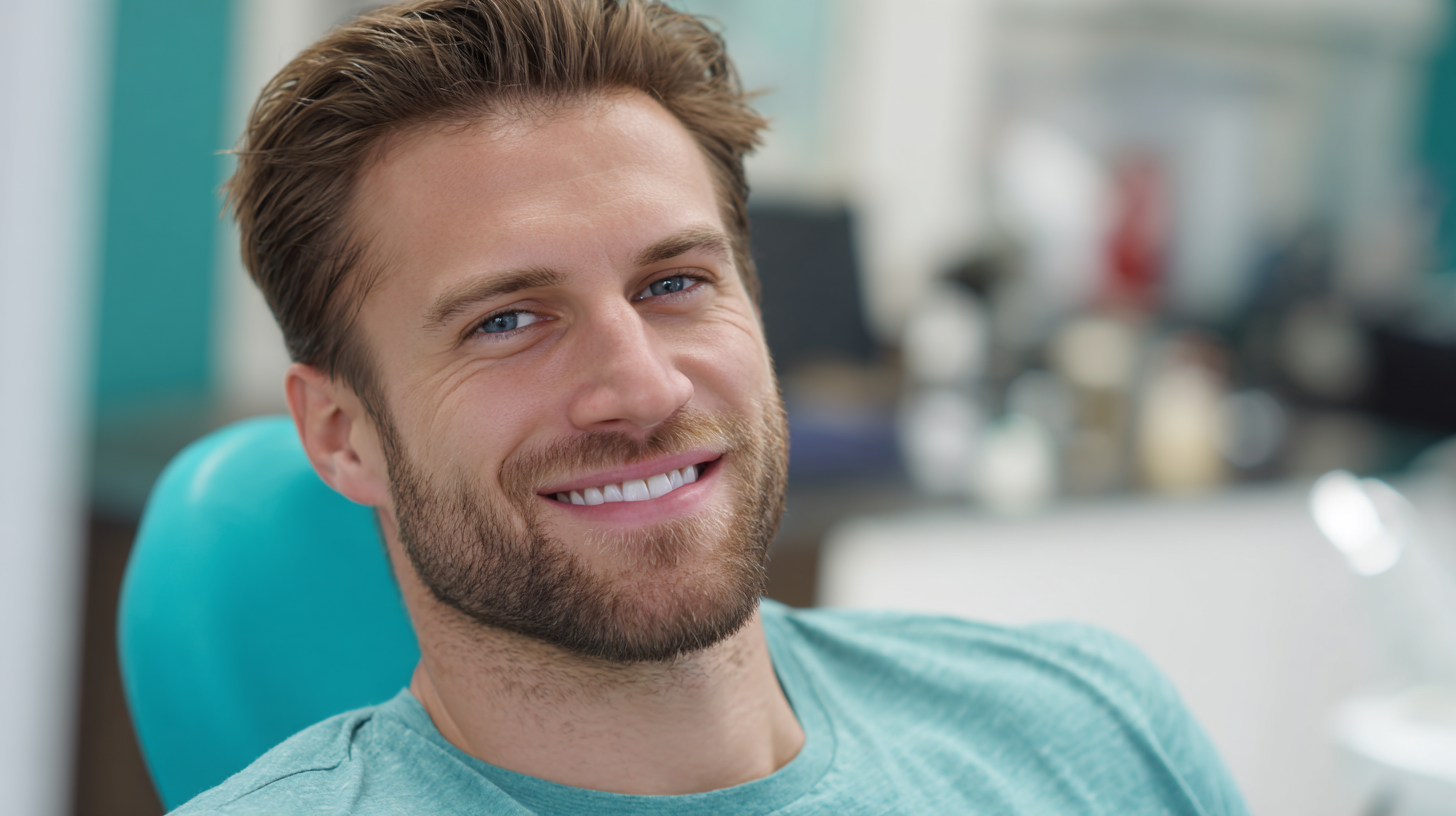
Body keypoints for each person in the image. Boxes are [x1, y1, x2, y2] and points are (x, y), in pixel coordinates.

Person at [175, 1, 1249, 813]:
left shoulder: (1088, 730)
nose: (644, 386)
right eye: (505, 320)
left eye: (673, 285)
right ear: (339, 434)